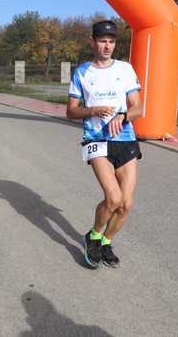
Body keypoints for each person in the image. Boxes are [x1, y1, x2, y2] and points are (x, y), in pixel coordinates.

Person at [66, 20, 143, 269]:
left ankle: (105, 241)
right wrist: (93, 110)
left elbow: (139, 107)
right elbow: (71, 112)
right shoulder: (82, 72)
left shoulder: (125, 69)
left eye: (111, 41)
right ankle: (93, 236)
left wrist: (123, 116)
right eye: (102, 41)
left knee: (126, 204)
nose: (107, 46)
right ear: (92, 41)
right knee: (113, 198)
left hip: (125, 138)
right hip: (96, 139)